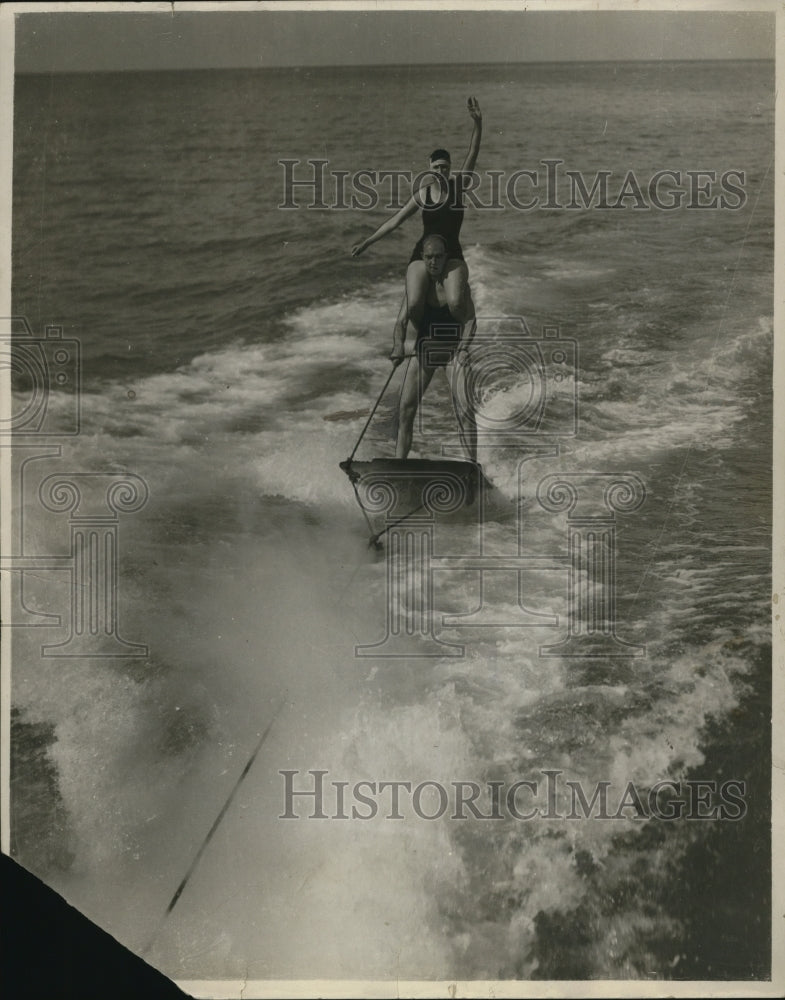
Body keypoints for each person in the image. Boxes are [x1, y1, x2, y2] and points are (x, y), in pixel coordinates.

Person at [351, 97, 482, 347]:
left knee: (455, 302)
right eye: (436, 167)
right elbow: (395, 221)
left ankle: (463, 330)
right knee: (413, 305)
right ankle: (420, 337)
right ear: (429, 168)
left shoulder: (459, 187)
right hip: (424, 253)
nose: (441, 171)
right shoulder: (423, 194)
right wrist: (367, 242)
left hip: (451, 252)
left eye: (445, 167)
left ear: (450, 168)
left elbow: (473, 151)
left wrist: (478, 124)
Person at [391, 233, 477, 462]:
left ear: (446, 257)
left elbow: (470, 320)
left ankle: (471, 466)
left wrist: (465, 348)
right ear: (422, 257)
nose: (433, 262)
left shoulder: (456, 286)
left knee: (465, 410)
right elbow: (400, 322)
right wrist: (398, 346)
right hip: (424, 353)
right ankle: (399, 464)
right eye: (429, 257)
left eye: (439, 257)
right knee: (405, 410)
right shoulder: (416, 288)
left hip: (453, 354)